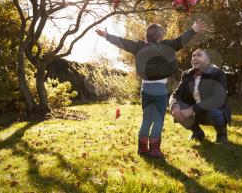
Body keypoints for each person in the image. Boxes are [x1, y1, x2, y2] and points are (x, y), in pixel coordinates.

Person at [95, 20, 207, 158]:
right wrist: (194, 29)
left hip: (145, 89)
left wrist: (106, 35)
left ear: (147, 36)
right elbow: (180, 41)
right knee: (158, 120)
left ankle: (142, 149)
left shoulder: (138, 47)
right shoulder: (166, 46)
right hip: (159, 90)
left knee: (147, 119)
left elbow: (122, 42)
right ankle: (154, 150)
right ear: (160, 38)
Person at [169, 48, 231, 143]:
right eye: (193, 56)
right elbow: (176, 94)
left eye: (199, 55)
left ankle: (222, 134)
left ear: (207, 60)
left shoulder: (218, 74)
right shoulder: (187, 75)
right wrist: (174, 106)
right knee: (177, 110)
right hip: (196, 112)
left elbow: (217, 98)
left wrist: (191, 110)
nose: (195, 58)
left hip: (213, 111)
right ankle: (197, 132)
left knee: (214, 113)